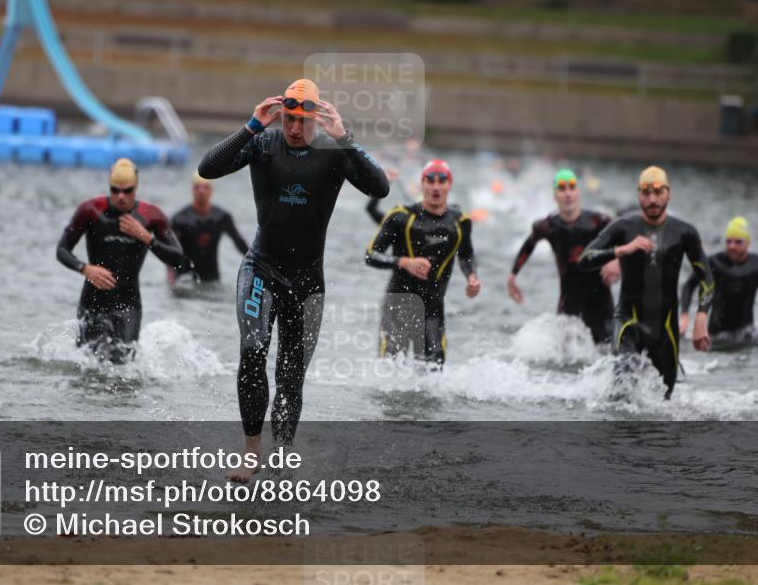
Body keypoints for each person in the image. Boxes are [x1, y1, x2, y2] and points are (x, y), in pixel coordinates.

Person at [197, 78, 389, 482]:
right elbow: (207, 168)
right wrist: (252, 125)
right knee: (252, 353)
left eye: (301, 120)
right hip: (261, 268)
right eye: (287, 119)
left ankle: (282, 455)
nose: (294, 128)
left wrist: (346, 138)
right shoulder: (263, 144)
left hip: (307, 282)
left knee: (290, 372)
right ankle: (251, 452)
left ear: (316, 118)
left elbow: (380, 187)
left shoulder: (334, 153)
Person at [578, 166, 714, 399]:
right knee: (623, 379)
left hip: (666, 330)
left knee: (664, 402)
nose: (652, 199)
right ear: (638, 194)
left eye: (658, 192)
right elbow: (584, 260)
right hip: (628, 322)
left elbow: (707, 279)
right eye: (645, 192)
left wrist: (701, 316)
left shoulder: (685, 232)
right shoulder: (623, 227)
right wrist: (621, 250)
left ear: (668, 194)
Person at [56, 158, 186, 365]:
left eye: (127, 191)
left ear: (136, 188)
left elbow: (179, 260)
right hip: (93, 301)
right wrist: (84, 268)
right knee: (87, 366)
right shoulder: (90, 210)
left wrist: (146, 237)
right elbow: (62, 250)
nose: (121, 197)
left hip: (129, 304)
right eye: (115, 190)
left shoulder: (151, 216)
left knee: (123, 371)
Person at [365, 159, 481, 366]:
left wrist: (472, 276)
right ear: (422, 184)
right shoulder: (402, 216)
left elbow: (466, 254)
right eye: (430, 180)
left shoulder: (460, 221)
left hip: (433, 310)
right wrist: (403, 262)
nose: (436, 186)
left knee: (433, 376)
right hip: (398, 306)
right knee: (389, 372)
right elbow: (371, 255)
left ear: (449, 184)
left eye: (442, 181)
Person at [506, 168, 620, 343]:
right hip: (569, 303)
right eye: (562, 188)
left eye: (572, 187)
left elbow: (624, 236)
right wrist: (512, 276)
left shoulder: (598, 221)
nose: (567, 193)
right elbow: (529, 245)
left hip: (601, 303)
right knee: (566, 357)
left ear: (578, 193)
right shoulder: (547, 226)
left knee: (606, 350)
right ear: (554, 195)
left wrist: (616, 261)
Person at [679, 216, 758, 349]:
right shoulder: (713, 263)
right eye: (728, 241)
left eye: (738, 242)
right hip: (716, 335)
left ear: (748, 243)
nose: (732, 246)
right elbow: (688, 286)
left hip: (747, 333)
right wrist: (685, 315)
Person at [169, 173, 250, 286]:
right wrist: (170, 282)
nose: (201, 191)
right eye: (197, 187)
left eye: (206, 187)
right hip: (185, 279)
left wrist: (255, 264)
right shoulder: (179, 219)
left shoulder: (221, 217)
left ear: (211, 191)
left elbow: (239, 243)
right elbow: (170, 251)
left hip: (212, 279)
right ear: (192, 191)